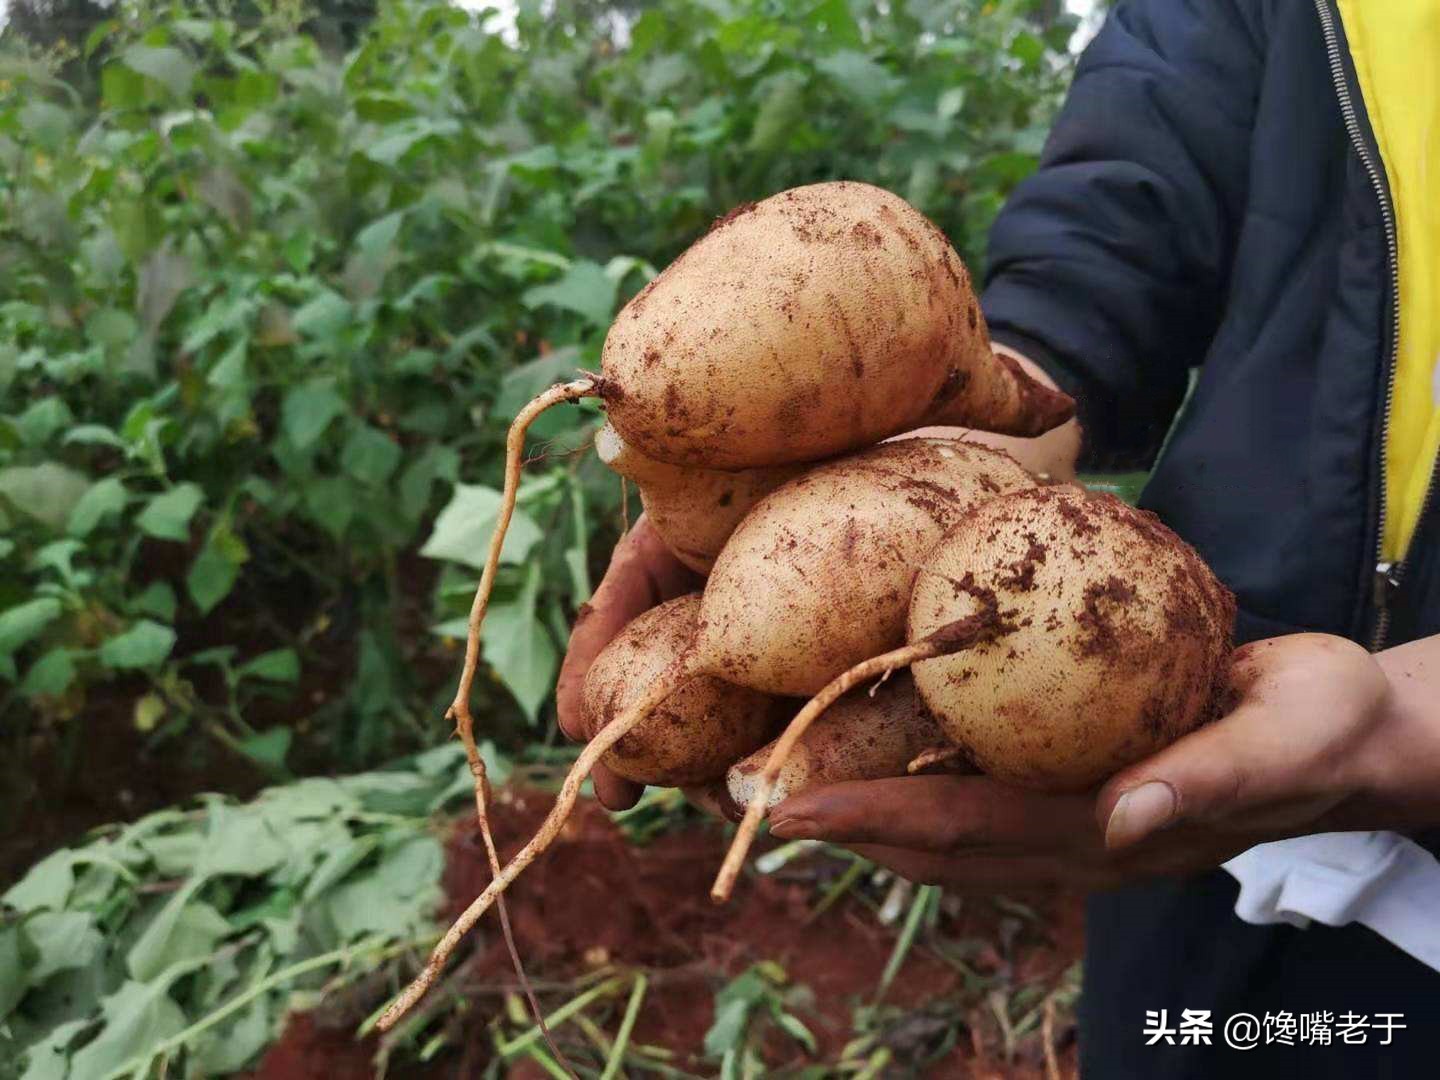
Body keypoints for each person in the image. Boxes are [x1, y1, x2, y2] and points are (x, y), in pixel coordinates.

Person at [556, 1, 1440, 1074]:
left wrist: (1404, 725)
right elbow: (1127, 204)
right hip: (1189, 838)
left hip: (1204, 707)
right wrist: (995, 392)